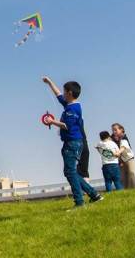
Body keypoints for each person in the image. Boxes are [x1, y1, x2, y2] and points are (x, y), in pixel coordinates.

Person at [42, 77, 102, 208]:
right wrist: (50, 82)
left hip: (72, 143)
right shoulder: (71, 104)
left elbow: (66, 125)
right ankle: (94, 195)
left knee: (70, 172)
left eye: (64, 91)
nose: (62, 93)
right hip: (74, 142)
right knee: (71, 172)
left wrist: (51, 121)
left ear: (69, 93)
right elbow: (58, 95)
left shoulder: (72, 109)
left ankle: (79, 202)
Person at [112, 123, 135, 189]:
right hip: (121, 161)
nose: (114, 132)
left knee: (131, 176)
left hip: (129, 159)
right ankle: (125, 191)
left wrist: (118, 153)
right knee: (123, 178)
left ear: (121, 130)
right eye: (113, 130)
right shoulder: (113, 138)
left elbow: (123, 147)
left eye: (115, 130)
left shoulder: (123, 137)